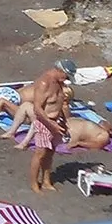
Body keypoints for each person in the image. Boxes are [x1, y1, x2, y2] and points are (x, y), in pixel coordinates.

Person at [23, 62, 72, 193]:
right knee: (40, 153)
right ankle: (34, 184)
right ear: (59, 70)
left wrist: (63, 122)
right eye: (66, 75)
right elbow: (37, 108)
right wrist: (52, 125)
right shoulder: (44, 83)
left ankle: (46, 181)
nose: (66, 79)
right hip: (45, 121)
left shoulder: (59, 82)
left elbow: (59, 103)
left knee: (50, 153)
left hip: (56, 121)